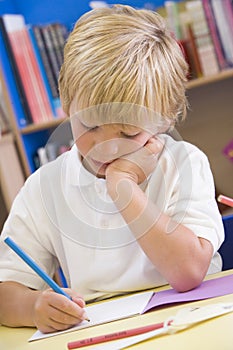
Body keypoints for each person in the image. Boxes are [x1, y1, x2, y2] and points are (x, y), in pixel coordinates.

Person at [0, 5, 224, 334]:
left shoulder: (185, 164)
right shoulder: (43, 188)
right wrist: (34, 307)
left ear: (165, 118)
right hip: (99, 334)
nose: (107, 146)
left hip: (193, 324)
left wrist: (124, 187)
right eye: (89, 125)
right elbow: (6, 291)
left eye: (128, 133)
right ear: (66, 103)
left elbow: (189, 273)